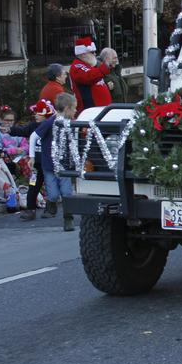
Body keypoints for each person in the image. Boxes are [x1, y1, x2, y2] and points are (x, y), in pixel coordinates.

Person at [34, 92, 77, 231]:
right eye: (74, 108)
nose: (76, 111)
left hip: (65, 165)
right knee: (52, 193)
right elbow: (34, 136)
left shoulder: (71, 123)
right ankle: (51, 205)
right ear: (66, 109)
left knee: (66, 192)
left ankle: (68, 219)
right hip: (49, 164)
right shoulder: (50, 122)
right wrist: (31, 156)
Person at [20, 99, 54, 222]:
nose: (35, 115)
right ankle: (30, 210)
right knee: (33, 186)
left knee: (51, 187)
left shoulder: (52, 126)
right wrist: (10, 130)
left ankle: (50, 209)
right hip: (36, 163)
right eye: (35, 113)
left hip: (48, 163)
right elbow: (22, 131)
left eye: (39, 113)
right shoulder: (33, 127)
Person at [70, 36, 114, 113]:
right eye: (92, 52)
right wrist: (105, 67)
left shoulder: (89, 65)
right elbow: (89, 77)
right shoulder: (77, 66)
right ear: (83, 54)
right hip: (90, 111)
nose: (95, 54)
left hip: (100, 110)